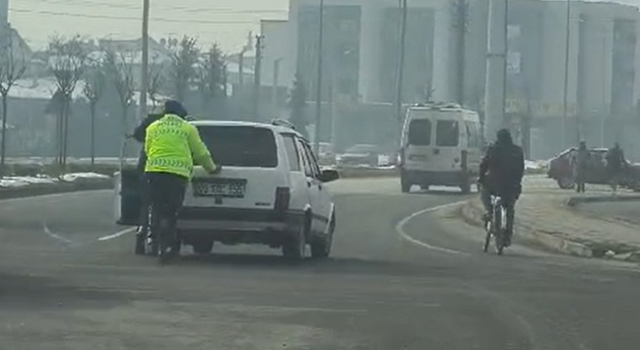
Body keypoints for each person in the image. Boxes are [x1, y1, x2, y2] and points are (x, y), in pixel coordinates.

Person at [144, 100, 219, 256]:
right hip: (176, 175)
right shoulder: (187, 128)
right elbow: (200, 152)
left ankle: (153, 240)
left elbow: (148, 149)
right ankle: (169, 244)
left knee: (156, 207)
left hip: (154, 172)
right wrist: (211, 168)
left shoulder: (153, 127)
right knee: (172, 211)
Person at [479, 128, 525, 247]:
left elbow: (484, 165)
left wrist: (481, 178)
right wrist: (517, 184)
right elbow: (520, 170)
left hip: (493, 185)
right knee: (510, 209)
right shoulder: (517, 151)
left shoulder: (493, 149)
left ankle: (489, 212)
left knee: (484, 193)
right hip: (511, 186)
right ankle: (508, 235)